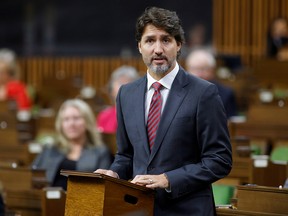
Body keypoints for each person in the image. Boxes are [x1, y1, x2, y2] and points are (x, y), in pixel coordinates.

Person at [95, 7, 232, 216]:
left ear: (178, 45)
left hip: (188, 210)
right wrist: (113, 172)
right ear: (140, 46)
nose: (158, 49)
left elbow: (219, 160)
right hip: (138, 209)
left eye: (166, 40)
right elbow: (126, 155)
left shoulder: (203, 93)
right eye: (150, 40)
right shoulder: (126, 94)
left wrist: (168, 179)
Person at [32, 99, 112, 190]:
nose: (71, 124)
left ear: (87, 122)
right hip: (49, 202)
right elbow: (32, 176)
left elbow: (105, 187)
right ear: (61, 124)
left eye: (76, 118)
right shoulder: (50, 149)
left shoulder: (100, 152)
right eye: (66, 119)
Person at [186, 48, 238, 118]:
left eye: (203, 69)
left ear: (212, 70)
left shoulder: (225, 94)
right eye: (194, 69)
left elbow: (231, 124)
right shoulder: (178, 93)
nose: (199, 74)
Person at [97, 65, 139, 134]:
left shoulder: (143, 115)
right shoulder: (104, 115)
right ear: (111, 90)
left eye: (129, 83)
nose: (124, 88)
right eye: (120, 83)